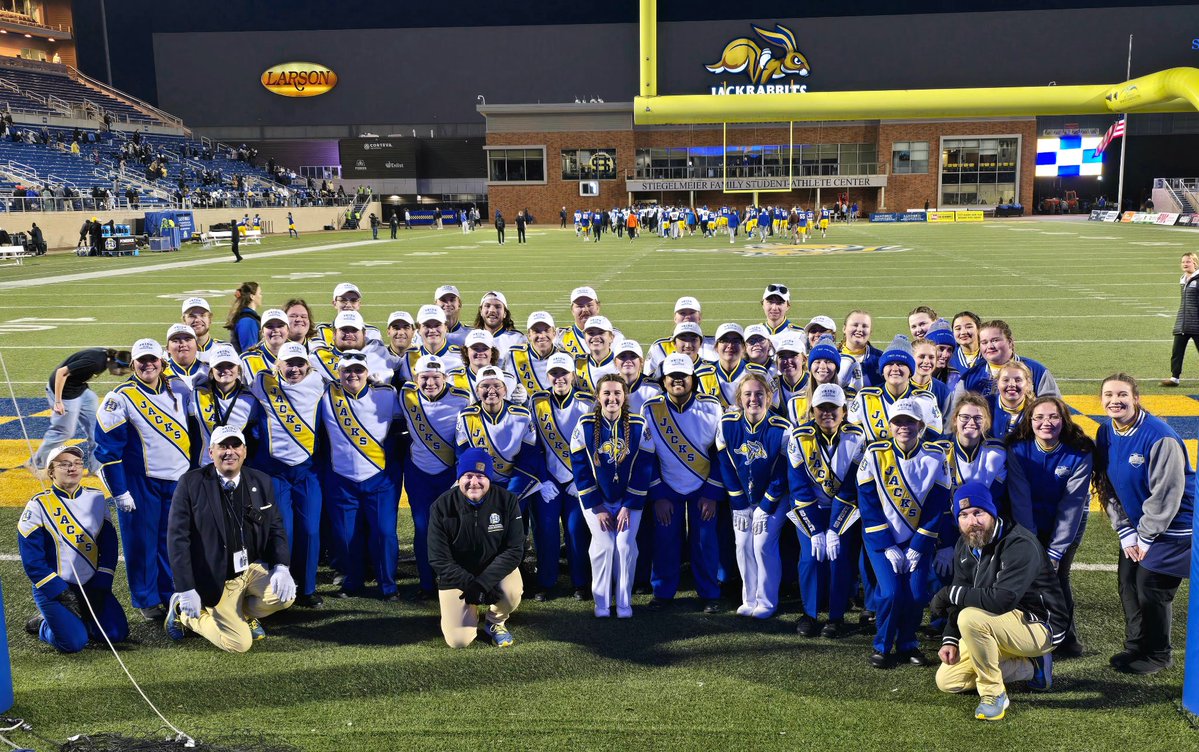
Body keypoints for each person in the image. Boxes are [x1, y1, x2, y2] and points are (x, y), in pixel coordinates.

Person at [931, 481, 1063, 721]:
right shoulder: (965, 544)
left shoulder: (1019, 543)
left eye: (978, 513)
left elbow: (1002, 600)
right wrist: (949, 638)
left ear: (992, 512)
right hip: (996, 622)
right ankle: (1031, 666)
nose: (972, 522)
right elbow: (962, 593)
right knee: (948, 680)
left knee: (970, 618)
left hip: (1040, 624)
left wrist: (947, 594)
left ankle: (994, 694)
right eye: (963, 515)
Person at [164, 426, 295, 652]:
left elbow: (275, 527)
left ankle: (241, 613)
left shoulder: (261, 480)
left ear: (244, 451)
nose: (229, 452)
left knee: (285, 597)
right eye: (223, 446)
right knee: (239, 644)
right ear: (211, 452)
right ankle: (185, 615)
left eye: (235, 446)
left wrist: (282, 567)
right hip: (216, 576)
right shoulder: (190, 483)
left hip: (249, 569)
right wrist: (186, 588)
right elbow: (178, 539)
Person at [1096, 373, 1193, 675]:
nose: (1115, 401)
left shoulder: (1160, 437)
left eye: (1122, 395)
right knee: (1127, 581)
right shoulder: (1105, 432)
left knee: (1151, 586)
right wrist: (1125, 530)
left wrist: (1146, 536)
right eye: (1109, 395)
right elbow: (1105, 483)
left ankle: (1159, 654)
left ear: (1136, 398)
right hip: (1139, 527)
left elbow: (1166, 494)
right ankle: (1136, 647)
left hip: (1175, 527)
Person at [94, 338, 193, 620]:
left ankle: (169, 591)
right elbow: (108, 450)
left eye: (153, 359)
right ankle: (146, 599)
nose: (148, 364)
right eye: (142, 360)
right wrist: (120, 491)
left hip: (177, 480)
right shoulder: (119, 398)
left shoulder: (179, 389)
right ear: (133, 364)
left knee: (170, 541)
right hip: (141, 483)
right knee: (141, 542)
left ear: (162, 362)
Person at [854, 399, 950, 668]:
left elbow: (937, 504)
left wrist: (918, 545)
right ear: (890, 425)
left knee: (917, 595)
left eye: (910, 421)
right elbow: (867, 502)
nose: (903, 426)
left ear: (921, 425)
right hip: (881, 539)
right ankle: (882, 646)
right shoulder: (875, 453)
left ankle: (908, 642)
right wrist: (887, 545)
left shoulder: (936, 456)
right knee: (891, 593)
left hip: (917, 539)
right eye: (898, 421)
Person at [1005, 395, 1093, 657]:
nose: (1046, 422)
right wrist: (1031, 543)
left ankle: (1066, 639)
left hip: (1066, 524)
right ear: (1029, 421)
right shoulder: (1018, 450)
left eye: (1053, 417)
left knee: (1058, 577)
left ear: (1064, 420)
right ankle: (1028, 634)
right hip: (1027, 521)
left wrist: (1055, 551)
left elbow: (1072, 505)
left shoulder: (1079, 453)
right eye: (1039, 417)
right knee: (1027, 576)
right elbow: (1020, 499)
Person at [18, 445, 129, 653]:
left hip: (91, 585)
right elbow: (33, 562)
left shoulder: (97, 498)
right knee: (73, 643)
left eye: (77, 463)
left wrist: (101, 584)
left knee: (115, 634)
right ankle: (44, 625)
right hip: (56, 590)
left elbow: (109, 546)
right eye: (64, 464)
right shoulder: (37, 505)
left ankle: (76, 621)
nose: (73, 468)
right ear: (51, 472)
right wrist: (61, 593)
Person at [317, 350, 406, 600]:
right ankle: (352, 582)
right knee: (346, 536)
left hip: (380, 479)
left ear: (367, 372)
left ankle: (388, 586)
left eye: (358, 370)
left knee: (384, 533)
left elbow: (402, 427)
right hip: (342, 478)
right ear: (339, 373)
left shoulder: (387, 394)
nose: (353, 375)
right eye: (347, 370)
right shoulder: (326, 395)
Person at [642, 353, 725, 612]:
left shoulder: (712, 407)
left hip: (704, 487)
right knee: (665, 540)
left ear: (693, 379)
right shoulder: (650, 409)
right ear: (664, 380)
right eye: (672, 376)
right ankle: (663, 592)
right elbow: (647, 456)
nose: (678, 380)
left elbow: (721, 454)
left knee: (705, 541)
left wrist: (712, 492)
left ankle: (709, 593)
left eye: (683, 376)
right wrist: (658, 494)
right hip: (667, 487)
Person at [248, 341, 326, 608]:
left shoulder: (319, 383)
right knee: (284, 532)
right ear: (277, 364)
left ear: (308, 365)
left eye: (300, 363)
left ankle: (307, 588)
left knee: (311, 531)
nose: (294, 369)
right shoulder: (262, 383)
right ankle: (279, 590)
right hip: (275, 472)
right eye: (288, 363)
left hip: (307, 471)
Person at [572, 374, 655, 618]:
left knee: (625, 546)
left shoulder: (639, 424)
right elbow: (579, 467)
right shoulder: (584, 424)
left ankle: (624, 603)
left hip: (630, 500)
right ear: (598, 397)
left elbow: (644, 467)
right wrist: (597, 506)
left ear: (624, 396)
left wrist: (629, 505)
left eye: (617, 393)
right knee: (605, 546)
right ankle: (601, 603)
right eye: (606, 393)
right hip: (596, 501)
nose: (612, 398)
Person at [789, 383, 867, 638]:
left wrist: (833, 528)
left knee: (839, 557)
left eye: (833, 408)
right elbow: (799, 487)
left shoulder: (857, 437)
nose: (827, 413)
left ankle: (836, 616)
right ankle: (809, 613)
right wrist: (815, 530)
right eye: (821, 407)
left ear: (844, 410)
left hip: (843, 509)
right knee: (810, 558)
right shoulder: (799, 438)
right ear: (812, 410)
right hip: (809, 508)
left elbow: (851, 487)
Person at [428, 448, 524, 648]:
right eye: (468, 476)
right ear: (459, 478)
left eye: (481, 476)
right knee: (458, 641)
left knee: (512, 592)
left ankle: (495, 622)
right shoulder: (441, 506)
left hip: (493, 569)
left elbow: (514, 550)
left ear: (489, 478)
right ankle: (467, 611)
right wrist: (470, 584)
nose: (474, 482)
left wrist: (482, 584)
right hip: (457, 575)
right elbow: (438, 559)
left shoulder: (507, 500)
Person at [716, 374, 791, 618]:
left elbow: (783, 473)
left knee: (762, 544)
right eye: (747, 394)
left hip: (774, 499)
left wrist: (766, 506)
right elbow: (725, 465)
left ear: (769, 397)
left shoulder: (782, 429)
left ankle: (767, 601)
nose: (753, 399)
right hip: (741, 499)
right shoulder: (727, 424)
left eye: (759, 394)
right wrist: (739, 502)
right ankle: (748, 598)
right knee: (742, 544)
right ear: (739, 398)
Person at [397, 355, 472, 599]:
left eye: (436, 377)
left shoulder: (462, 398)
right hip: (418, 474)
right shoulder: (406, 395)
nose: (430, 383)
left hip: (449, 475)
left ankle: (454, 581)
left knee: (455, 530)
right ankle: (426, 583)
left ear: (446, 377)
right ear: (415, 378)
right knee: (423, 530)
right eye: (424, 377)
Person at [28, 347, 131, 475]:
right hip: (64, 393)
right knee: (64, 432)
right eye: (121, 371)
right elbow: (61, 372)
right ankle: (36, 463)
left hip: (79, 389)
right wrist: (58, 401)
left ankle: (97, 469)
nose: (120, 374)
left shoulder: (108, 356)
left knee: (98, 430)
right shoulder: (95, 362)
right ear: (115, 363)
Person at [1162, 252, 1199, 386]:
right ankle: (1174, 378)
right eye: (1183, 262)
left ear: (1195, 263)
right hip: (1183, 322)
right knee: (1177, 351)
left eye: (1188, 261)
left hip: (1196, 323)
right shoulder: (1183, 279)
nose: (1185, 264)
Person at [223, 281, 262, 353]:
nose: (261, 296)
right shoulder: (247, 321)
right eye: (259, 294)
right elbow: (249, 352)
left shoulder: (247, 317)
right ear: (252, 296)